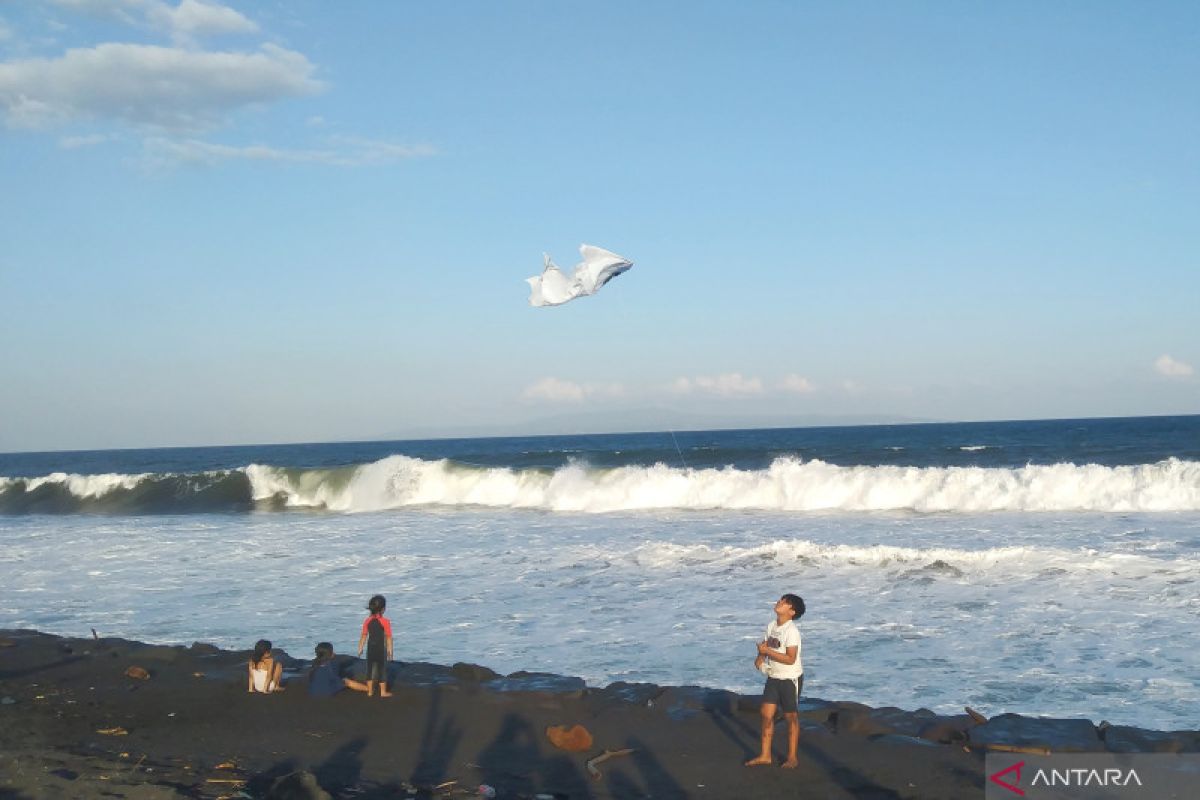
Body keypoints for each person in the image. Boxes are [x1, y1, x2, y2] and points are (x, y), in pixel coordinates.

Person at [745, 593, 805, 769]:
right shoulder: (771, 625)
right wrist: (760, 657)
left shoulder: (792, 632)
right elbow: (766, 644)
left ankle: (792, 757)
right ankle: (765, 755)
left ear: (791, 611)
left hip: (789, 679)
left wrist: (767, 652)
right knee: (766, 714)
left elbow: (790, 659)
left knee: (790, 717)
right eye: (781, 600)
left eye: (785, 602)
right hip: (773, 676)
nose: (779, 602)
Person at [356, 594, 393, 698]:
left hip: (370, 648)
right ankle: (383, 692)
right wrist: (390, 652)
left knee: (369, 669)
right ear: (383, 609)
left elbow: (363, 636)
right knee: (382, 670)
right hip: (381, 649)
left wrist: (360, 648)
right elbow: (389, 637)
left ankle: (370, 691)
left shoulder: (367, 621)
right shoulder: (385, 621)